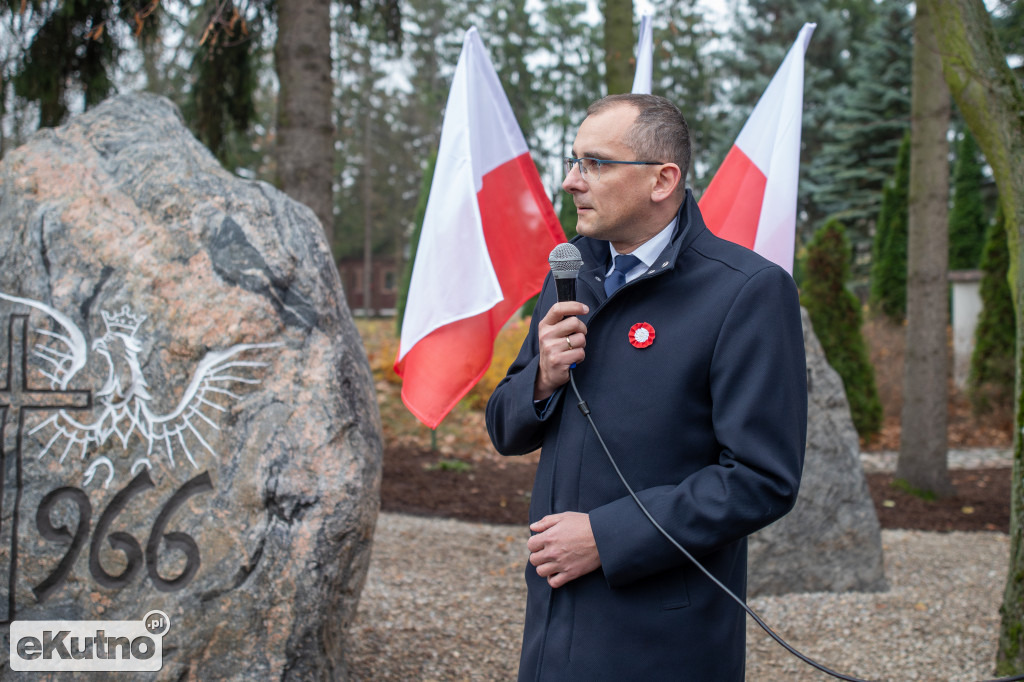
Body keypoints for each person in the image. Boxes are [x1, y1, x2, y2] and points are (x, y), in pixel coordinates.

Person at [485, 93, 808, 681]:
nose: (570, 182)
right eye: (573, 161)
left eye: (594, 163)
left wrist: (606, 537)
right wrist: (541, 377)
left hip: (664, 640)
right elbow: (505, 429)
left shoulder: (748, 291)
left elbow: (763, 479)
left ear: (663, 180)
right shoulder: (572, 270)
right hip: (554, 632)